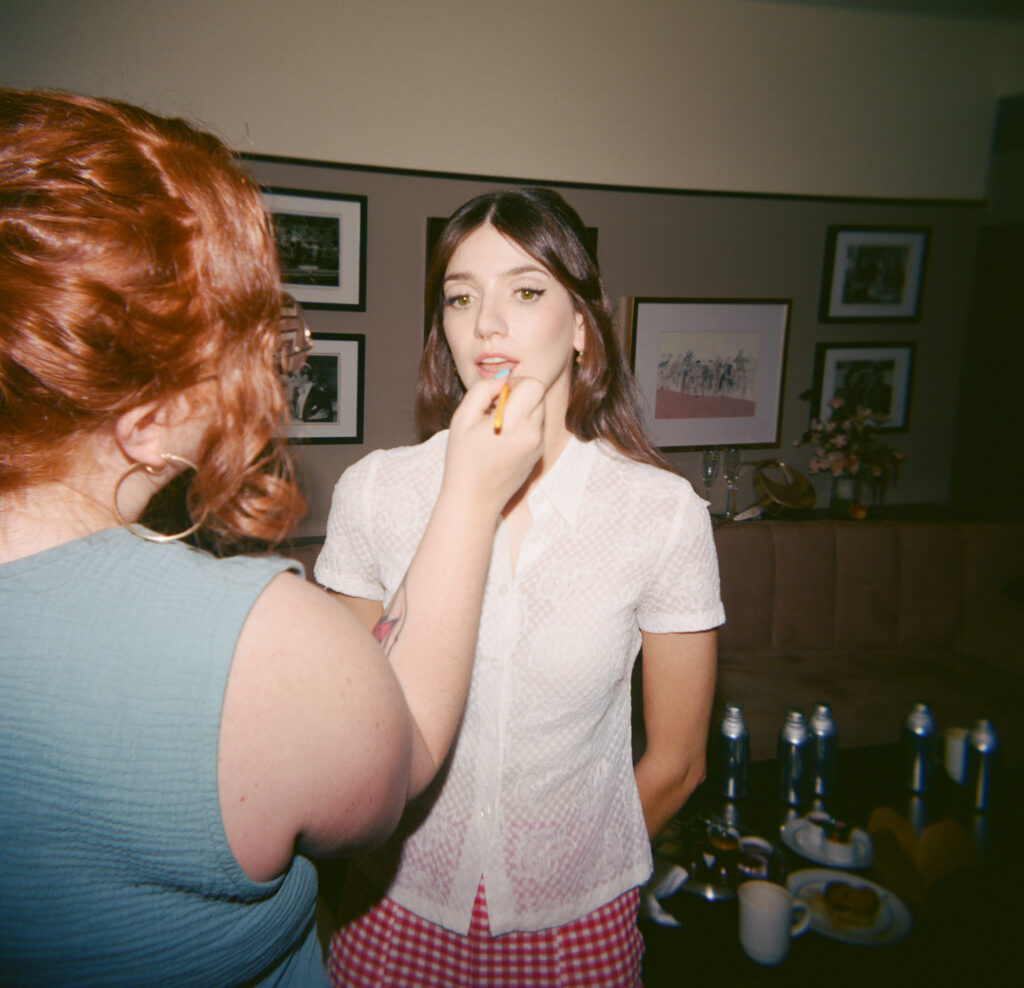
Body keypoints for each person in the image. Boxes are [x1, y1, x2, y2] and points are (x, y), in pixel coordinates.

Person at [0, 90, 545, 987]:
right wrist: (473, 495)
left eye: (525, 292)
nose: (271, 370)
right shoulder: (262, 638)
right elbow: (400, 752)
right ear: (154, 412)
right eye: (247, 336)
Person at [316, 187, 724, 987]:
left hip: (578, 930)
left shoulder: (661, 515)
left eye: (525, 291)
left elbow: (678, 762)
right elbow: (353, 734)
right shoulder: (374, 493)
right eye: (460, 298)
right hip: (392, 908)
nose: (485, 324)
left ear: (582, 327)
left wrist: (573, 884)